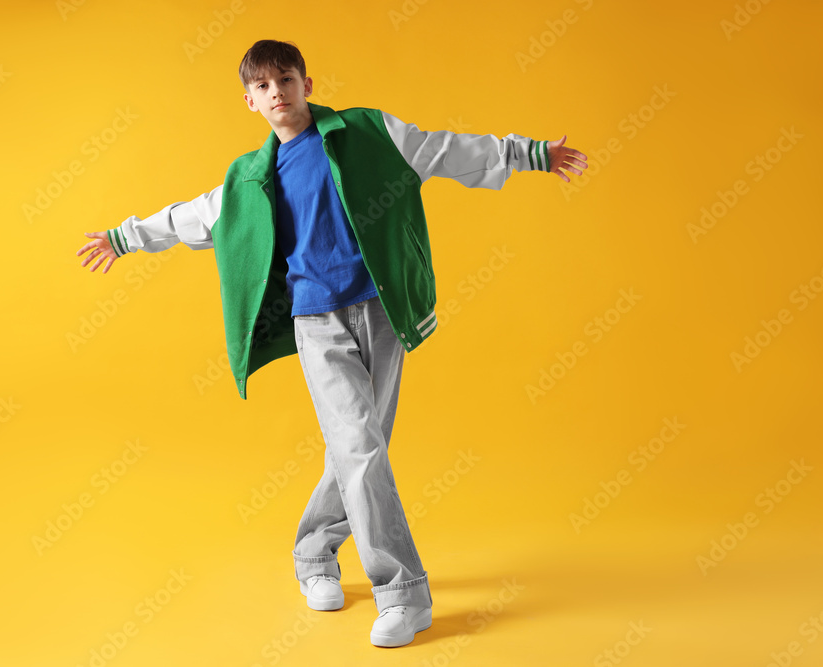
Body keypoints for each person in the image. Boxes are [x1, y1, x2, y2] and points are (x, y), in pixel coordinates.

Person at [76, 39, 587, 648]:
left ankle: (314, 553)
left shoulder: (367, 132)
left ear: (307, 84)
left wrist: (529, 154)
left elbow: (443, 149)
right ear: (249, 101)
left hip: (381, 310)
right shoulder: (251, 177)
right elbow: (194, 215)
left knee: (359, 448)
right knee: (359, 447)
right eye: (263, 86)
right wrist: (125, 237)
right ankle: (403, 594)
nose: (277, 93)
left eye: (286, 79)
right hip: (315, 323)